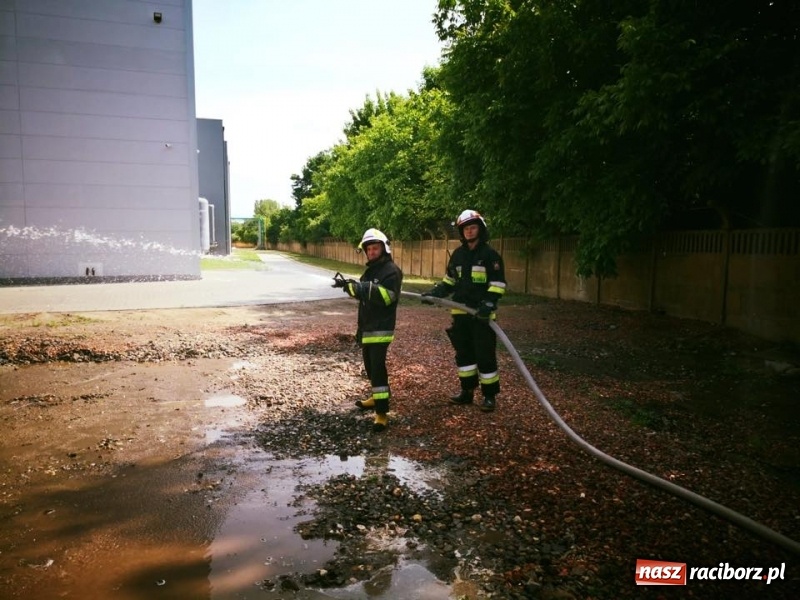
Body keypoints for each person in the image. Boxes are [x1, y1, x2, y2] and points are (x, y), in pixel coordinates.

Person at [421, 210, 506, 412]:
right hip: (460, 314)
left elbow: (498, 284)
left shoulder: (490, 255)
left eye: (473, 227)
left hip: (481, 315)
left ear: (480, 229)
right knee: (464, 355)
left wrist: (488, 304)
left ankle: (489, 396)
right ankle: (467, 392)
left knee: (485, 355)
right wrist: (435, 294)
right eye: (466, 228)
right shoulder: (458, 255)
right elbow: (449, 281)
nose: (469, 231)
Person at [335, 228, 403, 432]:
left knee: (378, 368)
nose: (372, 252)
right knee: (370, 367)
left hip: (381, 329)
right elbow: (364, 293)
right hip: (367, 327)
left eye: (375, 248)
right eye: (369, 249)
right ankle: (376, 397)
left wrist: (362, 288)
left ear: (384, 248)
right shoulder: (371, 270)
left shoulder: (391, 271)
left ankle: (382, 413)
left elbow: (387, 297)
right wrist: (349, 287)